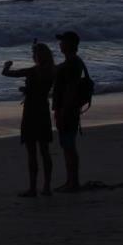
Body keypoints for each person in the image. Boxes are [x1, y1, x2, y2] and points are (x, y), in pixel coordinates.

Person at [2, 41, 56, 197]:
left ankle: (33, 188)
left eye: (34, 54)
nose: (33, 56)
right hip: (43, 110)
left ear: (37, 56)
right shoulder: (52, 71)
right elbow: (42, 90)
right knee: (45, 150)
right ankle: (46, 187)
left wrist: (7, 65)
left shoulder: (33, 71)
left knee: (32, 152)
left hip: (31, 111)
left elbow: (7, 73)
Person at [51, 31, 91, 193]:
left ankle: (73, 182)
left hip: (68, 110)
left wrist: (63, 112)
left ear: (70, 44)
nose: (60, 44)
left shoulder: (72, 64)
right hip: (69, 109)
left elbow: (70, 91)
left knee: (68, 146)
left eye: (62, 42)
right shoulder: (73, 62)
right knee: (68, 146)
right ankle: (71, 181)